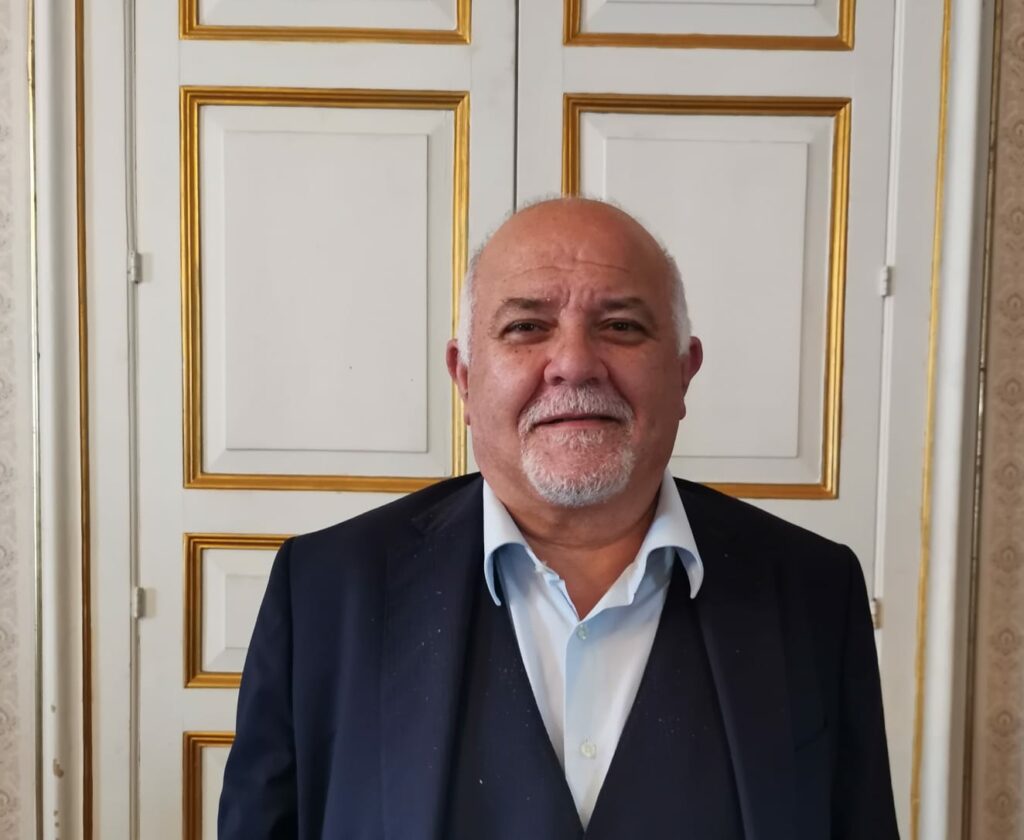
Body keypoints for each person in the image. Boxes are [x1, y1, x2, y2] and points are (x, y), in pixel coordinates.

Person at [218, 198, 899, 839]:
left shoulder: (814, 591)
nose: (574, 363)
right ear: (464, 378)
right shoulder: (325, 591)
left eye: (621, 326)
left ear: (683, 373)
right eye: (526, 327)